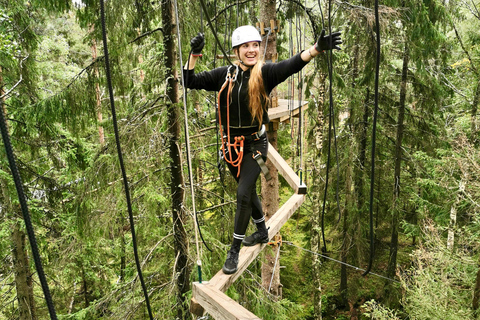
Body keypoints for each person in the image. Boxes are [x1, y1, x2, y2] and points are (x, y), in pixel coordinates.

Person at [183, 25, 341, 274]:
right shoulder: (224, 75)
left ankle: (233, 250)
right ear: (236, 50)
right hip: (230, 148)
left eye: (255, 45)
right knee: (248, 193)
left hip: (255, 145)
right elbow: (189, 81)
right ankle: (261, 231)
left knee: (243, 193)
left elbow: (291, 65)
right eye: (245, 46)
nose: (251, 50)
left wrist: (316, 49)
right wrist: (194, 55)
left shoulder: (265, 74)